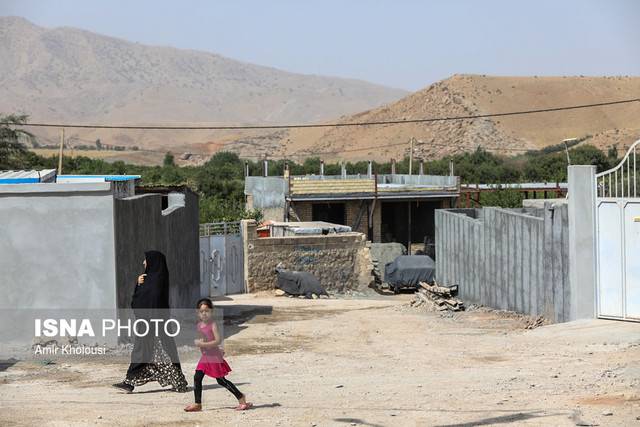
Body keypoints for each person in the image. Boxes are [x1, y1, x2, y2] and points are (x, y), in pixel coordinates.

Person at [112, 250, 188, 393]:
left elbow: (144, 301)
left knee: (164, 352)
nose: (144, 263)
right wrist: (138, 284)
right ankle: (129, 382)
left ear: (153, 262)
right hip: (147, 324)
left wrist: (141, 286)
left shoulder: (156, 281)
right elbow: (138, 300)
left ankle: (178, 382)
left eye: (146, 260)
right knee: (141, 352)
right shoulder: (150, 280)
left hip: (155, 325)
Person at [184, 298, 252, 412]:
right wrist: (199, 342)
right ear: (198, 312)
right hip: (205, 356)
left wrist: (203, 343)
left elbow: (217, 340)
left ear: (212, 312)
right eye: (201, 311)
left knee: (221, 380)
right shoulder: (199, 325)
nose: (204, 314)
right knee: (197, 377)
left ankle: (241, 397)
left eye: (207, 311)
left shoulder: (213, 325)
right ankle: (197, 404)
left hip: (213, 356)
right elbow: (202, 338)